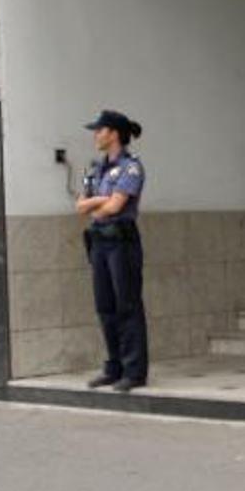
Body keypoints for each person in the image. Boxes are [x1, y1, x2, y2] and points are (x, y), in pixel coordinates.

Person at [76, 109, 148, 393]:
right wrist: (102, 200)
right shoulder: (95, 169)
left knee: (127, 305)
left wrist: (98, 203)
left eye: (100, 130)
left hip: (122, 242)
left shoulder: (131, 167)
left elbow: (115, 207)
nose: (95, 135)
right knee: (105, 306)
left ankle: (134, 371)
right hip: (99, 242)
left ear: (114, 134)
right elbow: (81, 206)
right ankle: (114, 367)